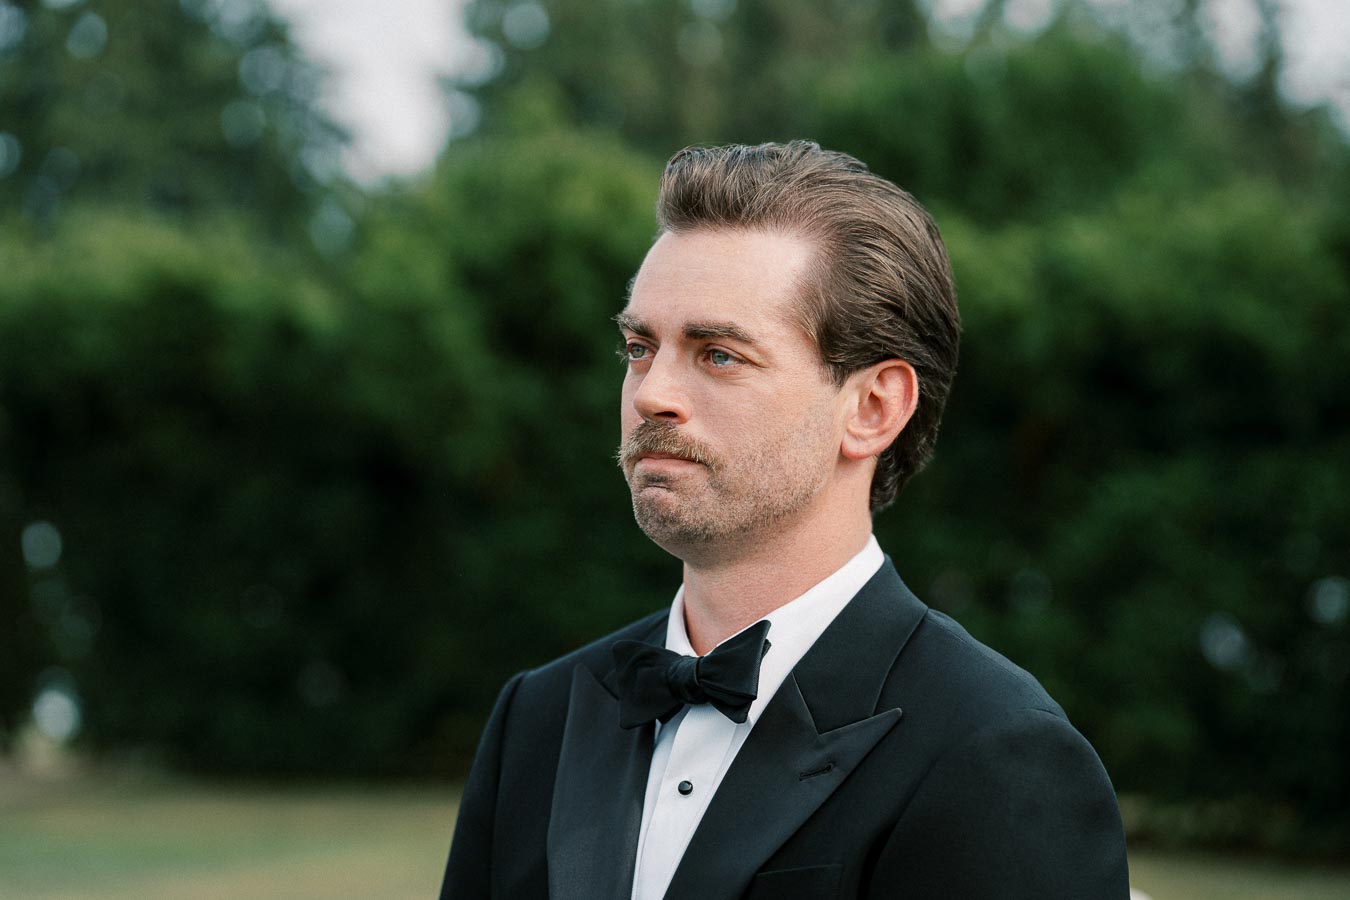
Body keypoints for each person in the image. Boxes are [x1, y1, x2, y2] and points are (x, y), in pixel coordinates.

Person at [440, 141, 1129, 899]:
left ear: (872, 408)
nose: (649, 394)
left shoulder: (997, 754)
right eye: (640, 347)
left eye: (719, 354)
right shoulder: (538, 717)